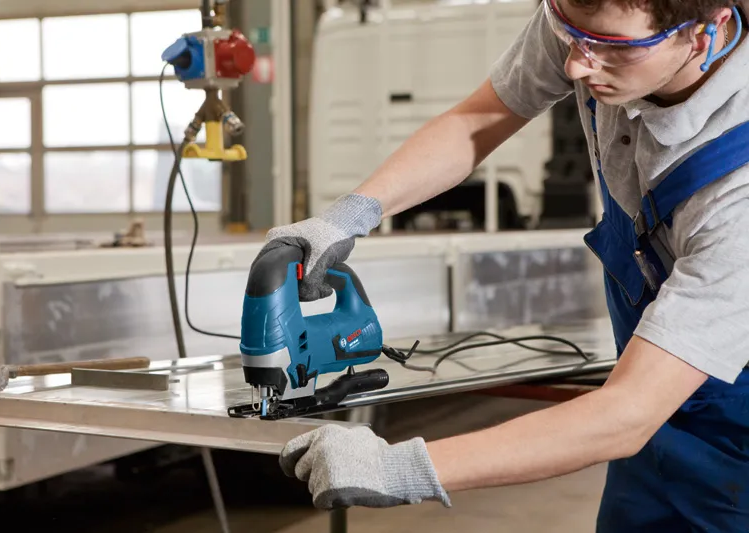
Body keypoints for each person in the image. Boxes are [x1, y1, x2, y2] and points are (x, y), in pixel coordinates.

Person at [254, 0, 749, 530]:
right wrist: (349, 215)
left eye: (611, 49)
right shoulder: (592, 22)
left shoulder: (737, 199)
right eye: (568, 34)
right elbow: (482, 117)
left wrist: (399, 467)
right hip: (650, 440)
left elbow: (626, 414)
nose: (577, 67)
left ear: (705, 34)